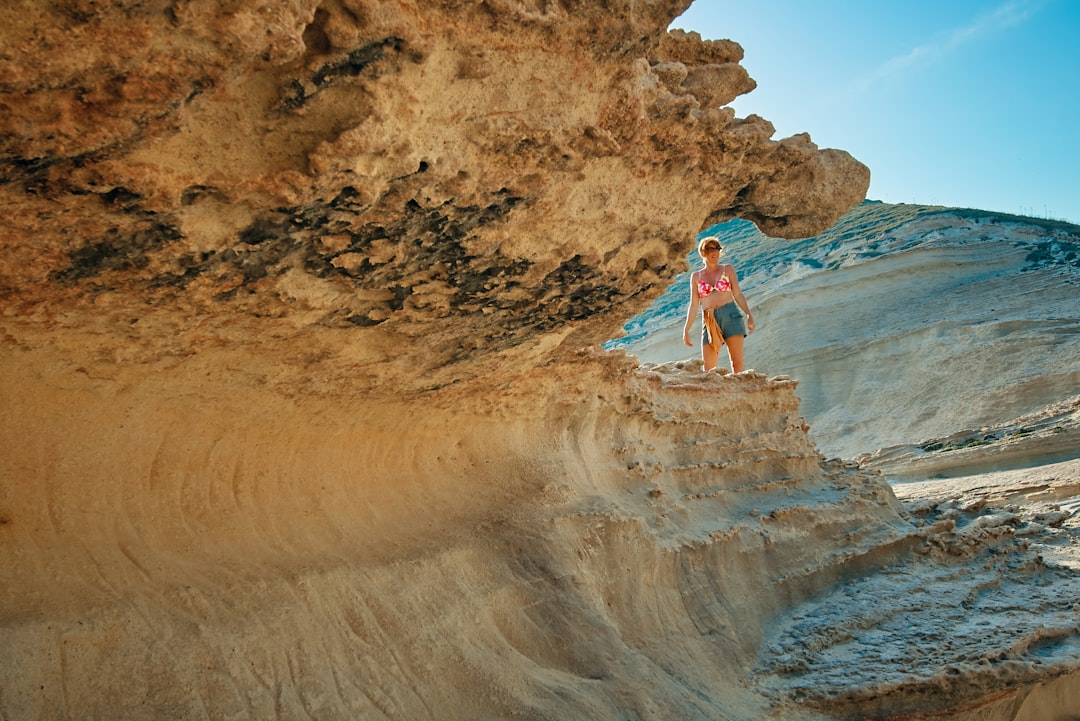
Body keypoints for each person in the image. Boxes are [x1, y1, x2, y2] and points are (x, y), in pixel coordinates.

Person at [682, 235, 755, 372]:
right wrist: (686, 329)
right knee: (709, 370)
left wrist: (748, 314)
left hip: (731, 315)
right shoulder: (696, 277)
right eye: (711, 249)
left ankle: (740, 392)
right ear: (703, 252)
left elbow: (738, 294)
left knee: (737, 365)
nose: (716, 252)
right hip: (710, 320)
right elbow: (694, 305)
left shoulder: (727, 269)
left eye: (718, 248)